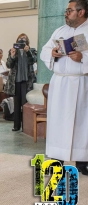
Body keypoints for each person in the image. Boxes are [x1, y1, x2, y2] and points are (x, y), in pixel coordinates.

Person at [40, 0, 88, 174]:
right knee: (58, 122)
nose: (66, 13)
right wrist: (52, 53)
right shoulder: (60, 31)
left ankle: (83, 162)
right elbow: (44, 50)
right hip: (60, 83)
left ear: (81, 12)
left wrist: (82, 58)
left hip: (81, 82)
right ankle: (56, 160)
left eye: (69, 10)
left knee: (82, 123)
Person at [5, 33, 37, 131]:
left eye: (24, 39)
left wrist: (27, 52)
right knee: (17, 104)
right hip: (16, 81)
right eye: (20, 39)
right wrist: (12, 56)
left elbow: (33, 61)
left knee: (25, 103)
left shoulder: (32, 50)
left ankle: (26, 127)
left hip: (27, 81)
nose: (22, 40)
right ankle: (16, 126)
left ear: (27, 41)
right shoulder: (12, 51)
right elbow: (9, 65)